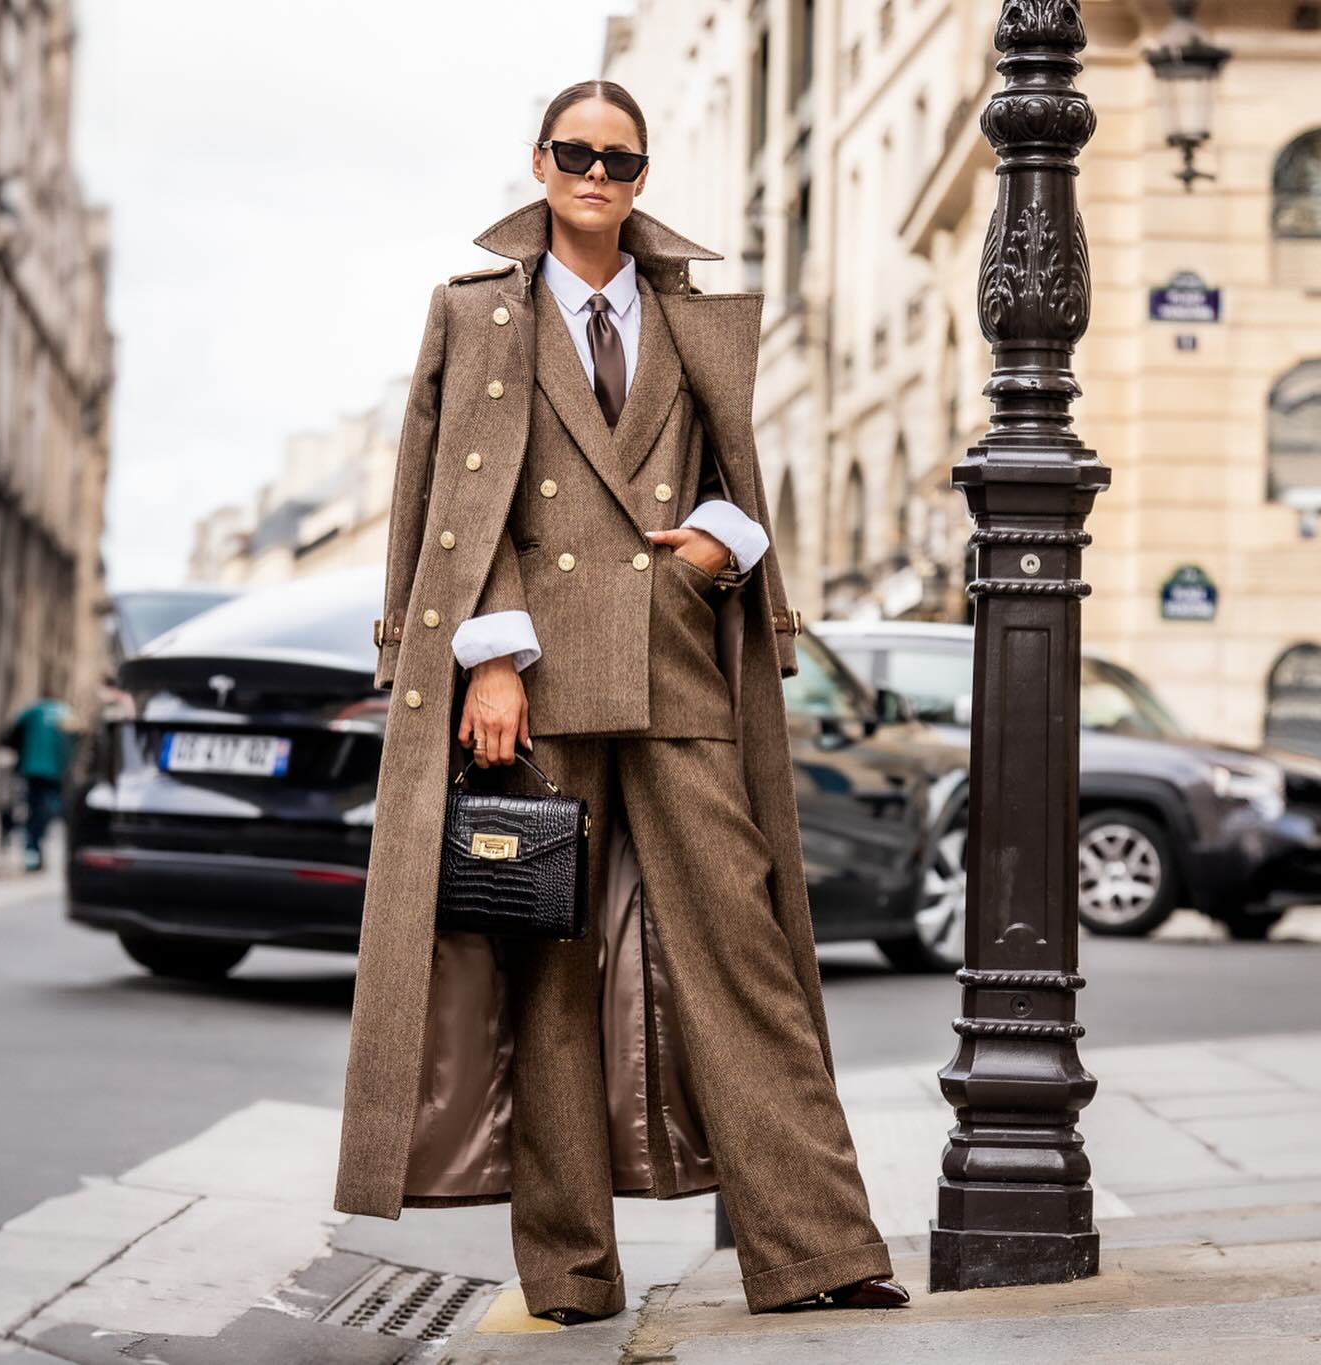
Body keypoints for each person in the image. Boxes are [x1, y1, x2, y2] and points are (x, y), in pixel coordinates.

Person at [333, 79, 909, 1324]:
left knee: (745, 954)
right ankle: (572, 1270)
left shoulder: (693, 317)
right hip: (536, 678)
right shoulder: (474, 313)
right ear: (540, 164)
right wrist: (484, 656)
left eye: (620, 159)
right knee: (553, 970)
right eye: (575, 153)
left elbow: (741, 488)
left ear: (642, 176)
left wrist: (717, 545)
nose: (597, 175)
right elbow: (441, 501)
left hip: (677, 666)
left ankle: (816, 1250)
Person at [0, 696, 73, 871]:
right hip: (54, 772)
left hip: (33, 769)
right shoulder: (65, 713)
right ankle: (33, 849)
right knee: (46, 811)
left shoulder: (31, 711)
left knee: (35, 810)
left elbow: (12, 734)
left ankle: (32, 849)